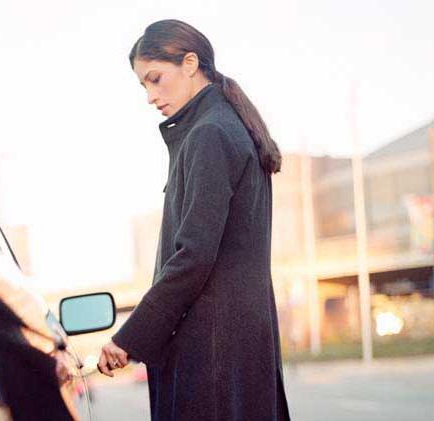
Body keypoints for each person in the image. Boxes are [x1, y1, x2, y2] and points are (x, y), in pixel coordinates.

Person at [97, 19, 291, 420]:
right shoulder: (229, 127)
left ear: (189, 63)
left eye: (156, 79)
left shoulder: (208, 135)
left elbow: (194, 256)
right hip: (237, 349)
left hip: (211, 354)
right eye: (143, 85)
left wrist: (128, 338)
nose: (151, 96)